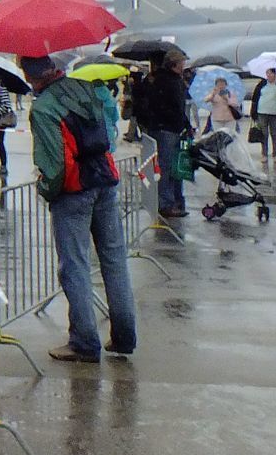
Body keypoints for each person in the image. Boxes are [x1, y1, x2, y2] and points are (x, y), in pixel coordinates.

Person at [21, 54, 136, 363]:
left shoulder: (44, 107)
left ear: (30, 76)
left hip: (74, 191)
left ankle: (84, 342)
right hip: (105, 180)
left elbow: (55, 162)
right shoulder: (85, 89)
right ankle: (125, 336)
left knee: (75, 266)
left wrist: (46, 188)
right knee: (114, 260)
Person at [139, 50, 193, 218]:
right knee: (167, 166)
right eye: (181, 63)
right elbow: (171, 106)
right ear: (174, 64)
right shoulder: (165, 81)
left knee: (175, 166)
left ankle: (174, 200)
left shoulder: (169, 80)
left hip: (173, 127)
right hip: (167, 128)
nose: (184, 66)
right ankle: (166, 203)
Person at [251, 68, 276, 161]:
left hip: (275, 113)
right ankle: (264, 154)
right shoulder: (262, 84)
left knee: (274, 134)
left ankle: (275, 154)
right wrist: (253, 112)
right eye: (267, 73)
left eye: (271, 73)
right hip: (262, 112)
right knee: (264, 134)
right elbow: (255, 98)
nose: (269, 75)